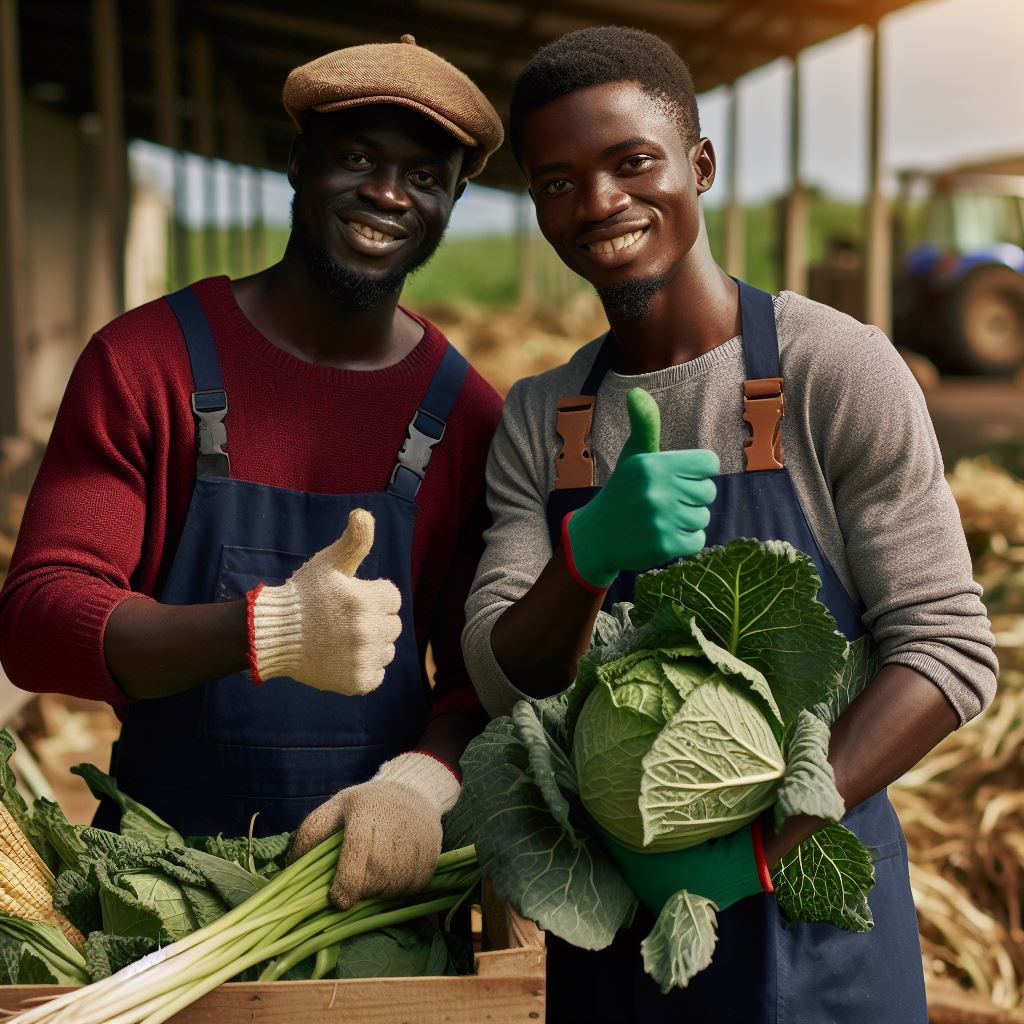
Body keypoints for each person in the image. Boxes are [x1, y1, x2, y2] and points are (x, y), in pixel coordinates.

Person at [461, 26, 997, 1024]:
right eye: (559, 182)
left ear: (699, 165)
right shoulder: (541, 418)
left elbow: (947, 649)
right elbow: (501, 676)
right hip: (619, 932)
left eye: (631, 163)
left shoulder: (832, 369)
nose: (600, 203)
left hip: (821, 930)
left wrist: (759, 843)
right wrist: (585, 557)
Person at [0, 36, 504, 912]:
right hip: (157, 891)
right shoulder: (146, 362)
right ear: (297, 161)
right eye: (357, 158)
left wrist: (420, 786)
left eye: (425, 174)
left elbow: (478, 678)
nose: (388, 192)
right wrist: (269, 633)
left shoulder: (466, 415)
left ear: (454, 197)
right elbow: (39, 620)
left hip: (377, 889)